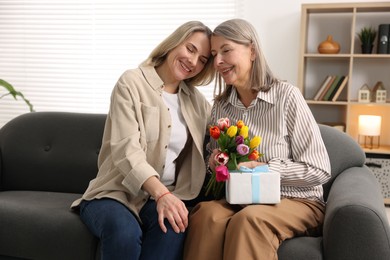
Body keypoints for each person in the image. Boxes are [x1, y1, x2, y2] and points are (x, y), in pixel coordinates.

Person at [183, 18, 331, 260]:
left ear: (252, 51)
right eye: (214, 54)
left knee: (249, 221)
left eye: (226, 50)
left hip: (298, 201)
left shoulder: (287, 97)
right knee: (206, 216)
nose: (218, 61)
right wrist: (214, 164)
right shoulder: (220, 108)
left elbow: (320, 169)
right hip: (240, 199)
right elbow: (215, 170)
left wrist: (264, 169)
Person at [71, 21, 215, 260]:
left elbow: (218, 138)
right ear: (174, 42)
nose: (193, 61)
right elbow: (126, 150)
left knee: (174, 228)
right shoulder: (131, 82)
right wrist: (163, 195)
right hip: (115, 193)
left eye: (202, 59)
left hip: (163, 197)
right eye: (190, 49)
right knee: (124, 232)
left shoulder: (197, 103)